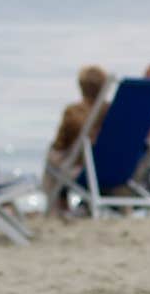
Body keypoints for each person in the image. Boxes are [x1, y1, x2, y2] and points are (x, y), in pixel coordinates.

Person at [43, 65, 109, 215]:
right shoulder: (113, 111)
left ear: (81, 86)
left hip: (84, 168)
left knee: (52, 160)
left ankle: (57, 207)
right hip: (111, 168)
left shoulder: (74, 112)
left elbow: (60, 143)